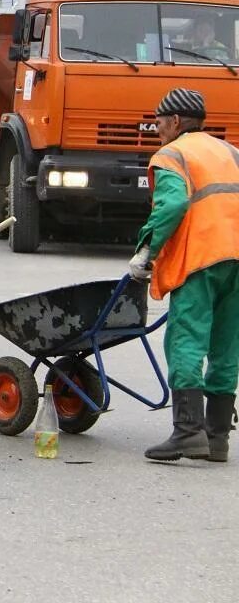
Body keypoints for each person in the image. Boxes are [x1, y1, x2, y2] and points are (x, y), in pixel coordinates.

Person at [130, 88, 239, 462]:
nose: (156, 127)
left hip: (202, 258)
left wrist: (147, 249)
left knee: (186, 340)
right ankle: (217, 438)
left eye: (158, 121)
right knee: (226, 345)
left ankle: (189, 433)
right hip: (237, 258)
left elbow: (173, 202)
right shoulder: (230, 152)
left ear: (175, 121)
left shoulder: (172, 154)